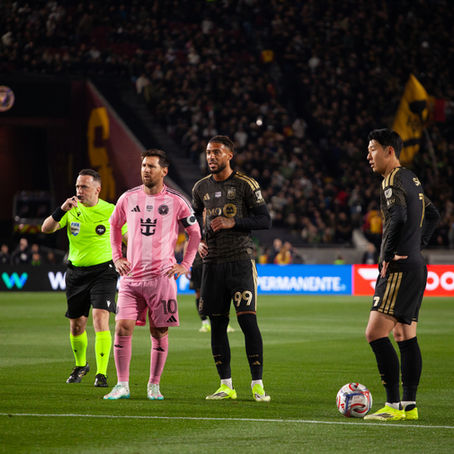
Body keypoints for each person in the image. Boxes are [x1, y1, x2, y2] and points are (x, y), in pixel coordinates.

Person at [103, 149, 200, 401]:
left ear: (164, 171)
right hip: (131, 278)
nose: (146, 170)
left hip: (161, 279)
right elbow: (114, 226)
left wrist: (185, 264)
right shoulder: (128, 197)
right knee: (122, 327)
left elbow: (196, 234)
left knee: (159, 332)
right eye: (144, 165)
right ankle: (122, 385)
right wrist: (117, 257)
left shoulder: (177, 201)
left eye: (152, 166)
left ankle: (154, 385)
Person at [363, 129, 440, 421]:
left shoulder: (392, 180)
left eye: (372, 149)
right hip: (417, 265)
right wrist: (418, 245)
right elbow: (433, 215)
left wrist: (385, 254)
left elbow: (397, 217)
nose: (368, 156)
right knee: (404, 334)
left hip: (399, 267)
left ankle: (392, 405)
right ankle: (409, 405)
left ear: (389, 151)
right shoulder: (412, 178)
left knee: (374, 333)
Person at [192, 135, 272, 402]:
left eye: (216, 152)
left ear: (229, 155)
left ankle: (257, 384)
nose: (211, 157)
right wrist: (197, 244)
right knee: (217, 325)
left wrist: (232, 222)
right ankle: (226, 385)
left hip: (239, 261)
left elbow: (264, 220)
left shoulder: (246, 184)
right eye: (208, 152)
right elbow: (193, 223)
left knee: (248, 321)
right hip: (212, 265)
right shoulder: (200, 188)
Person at [42, 169, 123, 388]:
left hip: (104, 271)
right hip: (76, 273)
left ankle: (102, 373)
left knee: (100, 317)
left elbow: (128, 236)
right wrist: (61, 210)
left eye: (84, 187)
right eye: (77, 186)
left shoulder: (111, 210)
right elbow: (46, 228)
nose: (79, 191)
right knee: (77, 325)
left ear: (97, 189)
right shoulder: (70, 209)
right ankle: (81, 366)